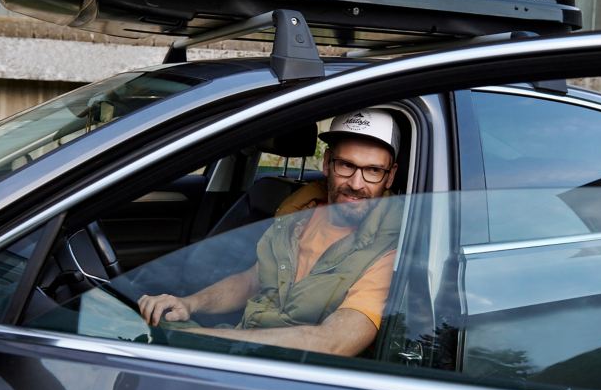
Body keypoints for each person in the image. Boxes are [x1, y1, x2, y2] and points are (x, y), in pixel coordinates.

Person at [138, 109, 403, 356]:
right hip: (240, 350)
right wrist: (190, 304)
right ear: (327, 164)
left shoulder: (391, 248)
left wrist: (205, 339)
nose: (356, 183)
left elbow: (334, 341)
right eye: (346, 165)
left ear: (390, 177)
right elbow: (252, 280)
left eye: (373, 171)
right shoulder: (300, 212)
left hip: (290, 376)